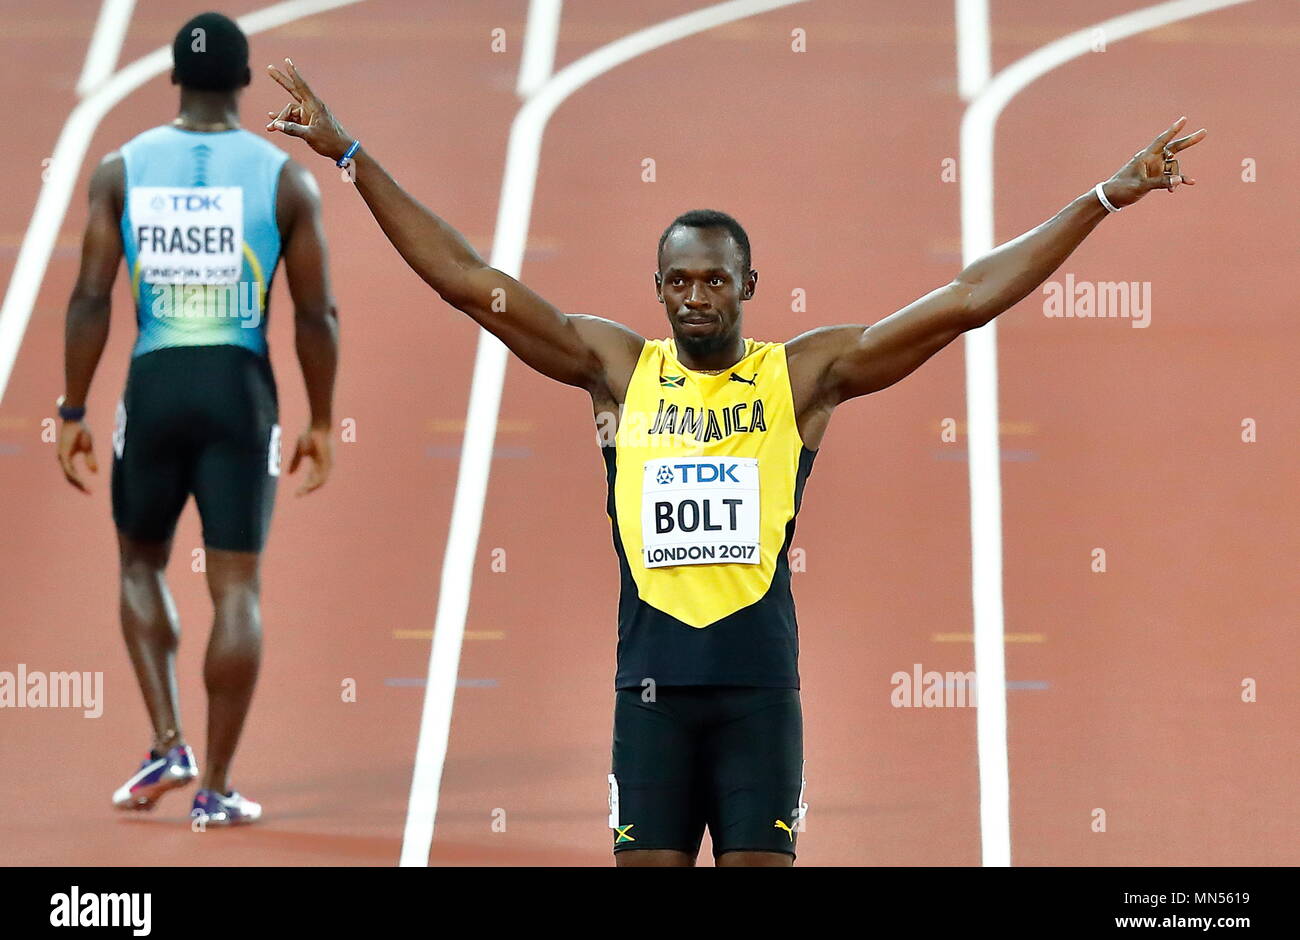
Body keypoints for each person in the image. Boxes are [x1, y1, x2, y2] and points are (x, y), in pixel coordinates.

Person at [264, 58, 1202, 864]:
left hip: (759, 695)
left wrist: (1104, 198)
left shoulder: (801, 378)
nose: (697, 296)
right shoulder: (618, 369)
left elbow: (964, 300)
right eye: (679, 280)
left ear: (750, 284)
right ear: (659, 289)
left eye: (716, 278)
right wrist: (350, 156)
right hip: (652, 699)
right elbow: (471, 283)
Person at [57, 14, 339, 825]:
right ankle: (214, 787)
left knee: (140, 565)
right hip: (239, 390)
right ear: (245, 81)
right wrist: (321, 419)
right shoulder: (285, 178)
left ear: (175, 78)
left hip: (153, 386)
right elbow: (315, 314)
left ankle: (167, 737)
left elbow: (88, 297)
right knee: (237, 588)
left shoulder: (122, 168)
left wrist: (73, 408)